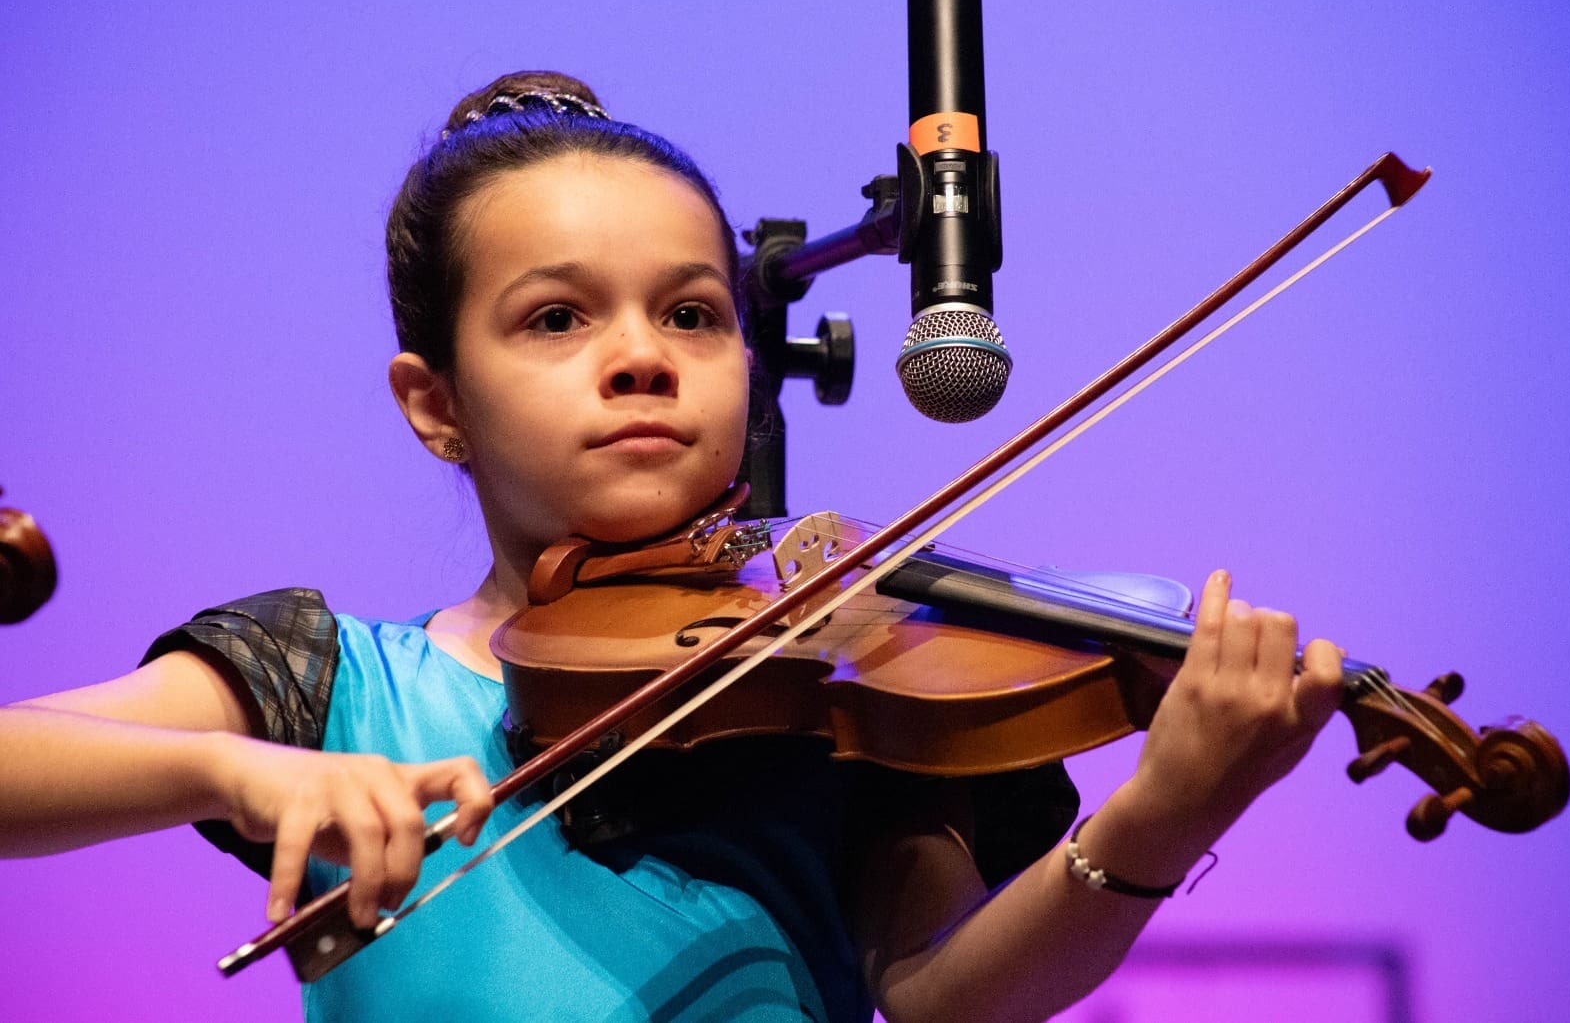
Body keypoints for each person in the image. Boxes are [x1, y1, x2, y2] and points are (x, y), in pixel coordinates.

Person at [0, 71, 1346, 1022]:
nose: (642, 356)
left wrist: (1164, 812)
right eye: (557, 319)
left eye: (693, 315)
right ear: (435, 403)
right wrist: (238, 768)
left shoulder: (836, 691)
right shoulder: (337, 683)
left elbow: (950, 995)